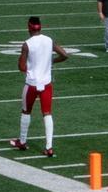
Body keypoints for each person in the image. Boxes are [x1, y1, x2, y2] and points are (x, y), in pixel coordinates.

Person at [11, 17, 68, 157]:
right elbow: (65, 55)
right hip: (46, 83)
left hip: (32, 83)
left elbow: (21, 67)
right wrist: (51, 62)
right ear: (40, 27)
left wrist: (28, 66)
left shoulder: (27, 44)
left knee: (26, 111)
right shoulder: (49, 40)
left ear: (29, 28)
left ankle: (22, 141)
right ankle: (49, 147)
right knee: (47, 113)